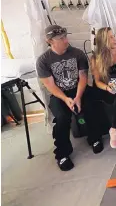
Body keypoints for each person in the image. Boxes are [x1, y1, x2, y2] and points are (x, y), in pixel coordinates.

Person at [36, 25, 104, 171]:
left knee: (91, 106)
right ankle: (62, 154)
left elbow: (83, 77)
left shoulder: (78, 54)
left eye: (66, 36)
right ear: (50, 41)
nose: (66, 41)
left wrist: (78, 97)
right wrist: (66, 99)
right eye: (61, 39)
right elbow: (50, 86)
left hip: (79, 89)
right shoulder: (43, 61)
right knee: (61, 119)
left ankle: (95, 138)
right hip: (59, 94)